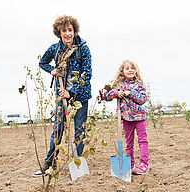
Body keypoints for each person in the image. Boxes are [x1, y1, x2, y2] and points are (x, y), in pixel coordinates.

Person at [34, 15, 92, 176]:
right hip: (61, 95)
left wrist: (72, 93)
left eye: (70, 30)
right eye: (64, 31)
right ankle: (49, 163)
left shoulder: (83, 48)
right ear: (59, 33)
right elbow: (42, 62)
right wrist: (51, 70)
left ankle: (78, 161)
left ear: (74, 31)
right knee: (58, 128)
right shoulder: (55, 49)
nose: (68, 34)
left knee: (79, 129)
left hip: (80, 96)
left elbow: (87, 75)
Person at [103, 60, 149, 175]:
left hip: (139, 117)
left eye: (132, 68)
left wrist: (131, 93)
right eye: (127, 68)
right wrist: (116, 93)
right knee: (129, 143)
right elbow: (106, 95)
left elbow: (143, 99)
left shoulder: (139, 85)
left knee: (143, 140)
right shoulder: (119, 85)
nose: (130, 70)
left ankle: (144, 164)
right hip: (126, 118)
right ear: (122, 71)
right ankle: (130, 164)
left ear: (136, 71)